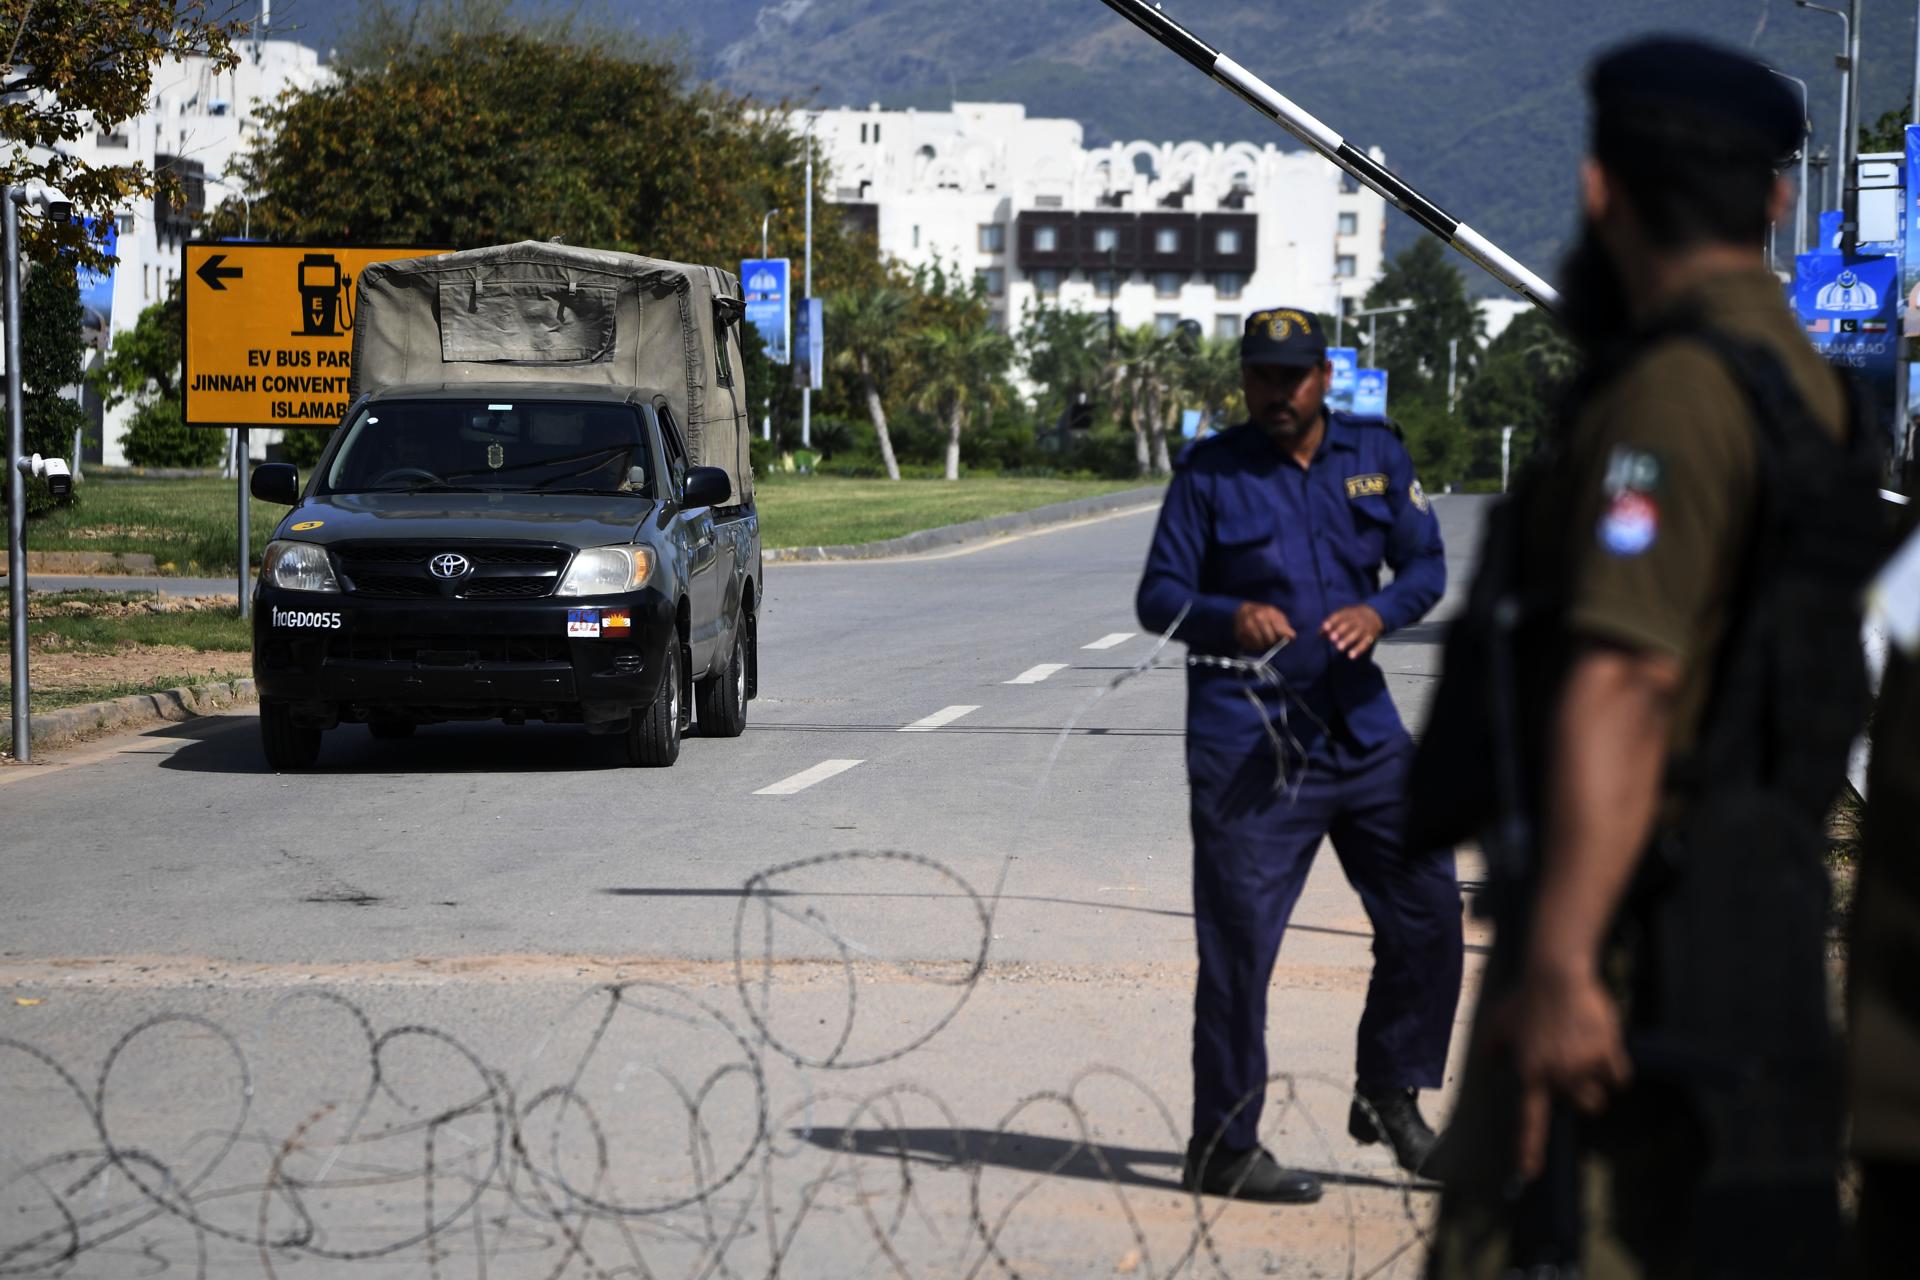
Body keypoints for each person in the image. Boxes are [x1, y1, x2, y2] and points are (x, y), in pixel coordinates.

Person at [1421, 36, 1883, 1276]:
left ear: (1599, 192)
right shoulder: (1805, 383)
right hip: (1754, 917)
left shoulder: (1672, 394)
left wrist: (1563, 960)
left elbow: (1630, 675)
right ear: (1778, 197)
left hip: (1631, 940)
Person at [1136, 306, 1461, 1204]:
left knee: (1429, 913)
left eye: (1293, 376)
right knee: (1240, 945)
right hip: (1251, 737)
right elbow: (1156, 593)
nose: (1276, 393)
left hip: (1363, 731)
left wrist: (1382, 613)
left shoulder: (1376, 457)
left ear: (1325, 377)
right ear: (1244, 381)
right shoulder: (1211, 472)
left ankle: (1390, 1095)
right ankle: (1224, 1145)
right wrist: (1224, 616)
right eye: (1260, 377)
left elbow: (1426, 566)